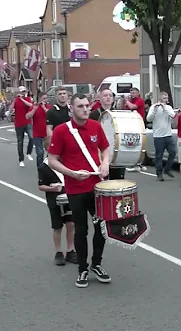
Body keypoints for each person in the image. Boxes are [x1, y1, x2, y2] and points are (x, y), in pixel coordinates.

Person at [47, 94, 112, 288]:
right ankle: (82, 268)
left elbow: (105, 149)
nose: (85, 109)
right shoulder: (61, 131)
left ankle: (97, 264)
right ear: (72, 109)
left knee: (102, 227)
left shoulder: (95, 126)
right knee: (80, 229)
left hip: (97, 186)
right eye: (80, 106)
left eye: (87, 106)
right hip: (75, 188)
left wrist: (105, 164)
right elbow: (52, 160)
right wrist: (72, 174)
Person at [38, 136, 78, 266]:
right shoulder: (44, 167)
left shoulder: (65, 162)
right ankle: (58, 252)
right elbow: (40, 186)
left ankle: (70, 250)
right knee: (57, 226)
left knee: (71, 224)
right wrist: (53, 188)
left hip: (69, 197)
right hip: (54, 200)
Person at [88, 88, 126, 180]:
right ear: (100, 99)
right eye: (105, 95)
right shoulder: (93, 115)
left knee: (117, 180)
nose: (108, 98)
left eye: (110, 96)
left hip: (115, 151)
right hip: (100, 151)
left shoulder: (118, 114)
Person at [146, 92, 176, 181]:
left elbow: (173, 116)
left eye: (167, 98)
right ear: (160, 99)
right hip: (158, 136)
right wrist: (155, 111)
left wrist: (165, 109)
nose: (166, 99)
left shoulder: (169, 108)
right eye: (164, 98)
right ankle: (159, 173)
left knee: (173, 152)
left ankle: (167, 169)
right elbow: (149, 119)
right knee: (159, 155)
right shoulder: (153, 107)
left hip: (168, 134)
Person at [11, 86, 34, 167]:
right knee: (20, 142)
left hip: (27, 122)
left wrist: (22, 99)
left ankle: (28, 152)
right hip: (18, 124)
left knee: (32, 137)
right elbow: (10, 110)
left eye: (24, 91)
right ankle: (21, 159)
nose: (23, 93)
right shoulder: (15, 100)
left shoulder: (27, 98)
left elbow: (31, 105)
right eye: (22, 92)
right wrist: (14, 101)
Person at [27, 91, 49, 168]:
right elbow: (27, 117)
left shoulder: (49, 107)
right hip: (37, 134)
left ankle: (48, 167)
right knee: (40, 153)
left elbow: (50, 115)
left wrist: (44, 107)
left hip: (47, 134)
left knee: (50, 153)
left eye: (46, 98)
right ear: (39, 99)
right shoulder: (34, 107)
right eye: (43, 98)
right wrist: (34, 109)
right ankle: (40, 169)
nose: (45, 100)